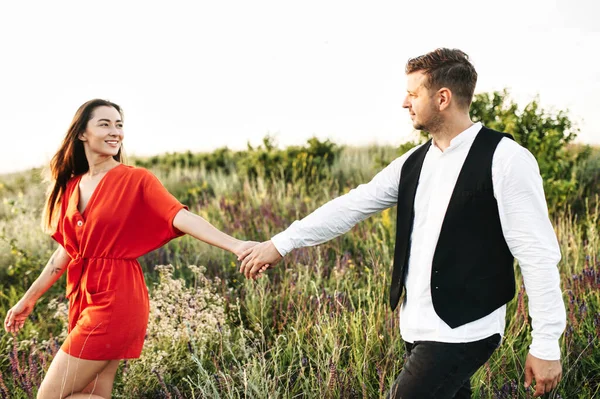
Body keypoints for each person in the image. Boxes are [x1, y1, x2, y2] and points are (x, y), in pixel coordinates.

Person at [239, 48, 566, 398]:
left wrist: (546, 343)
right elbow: (352, 206)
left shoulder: (506, 159)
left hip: (463, 331)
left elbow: (537, 254)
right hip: (415, 326)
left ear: (442, 98)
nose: (404, 102)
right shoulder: (413, 162)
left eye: (413, 94)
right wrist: (281, 243)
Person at [3, 99, 257, 399]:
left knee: (48, 396)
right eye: (105, 124)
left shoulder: (136, 179)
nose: (115, 132)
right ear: (82, 133)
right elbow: (66, 253)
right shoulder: (72, 186)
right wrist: (28, 300)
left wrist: (237, 245)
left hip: (117, 298)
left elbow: (180, 216)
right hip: (83, 297)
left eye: (119, 125)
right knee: (94, 393)